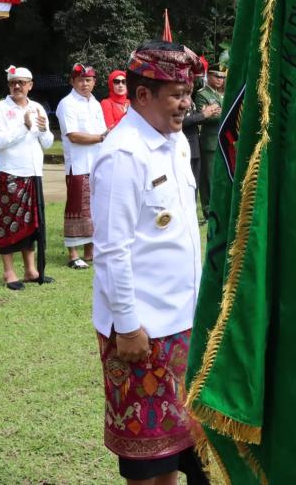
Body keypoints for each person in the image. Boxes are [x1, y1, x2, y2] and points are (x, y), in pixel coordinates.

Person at [91, 40, 208, 485]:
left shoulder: (173, 142)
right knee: (147, 463)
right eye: (176, 93)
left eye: (188, 91)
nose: (186, 103)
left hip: (184, 322)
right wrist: (127, 324)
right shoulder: (123, 154)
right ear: (142, 96)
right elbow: (112, 250)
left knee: (184, 448)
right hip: (142, 330)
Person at [0, 66, 55, 290]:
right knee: (8, 223)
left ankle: (30, 270)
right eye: (13, 83)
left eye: (22, 82)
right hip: (10, 172)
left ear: (30, 85)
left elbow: (46, 143)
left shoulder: (37, 107)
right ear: (8, 85)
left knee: (32, 224)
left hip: (34, 172)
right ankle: (9, 272)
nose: (17, 86)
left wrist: (45, 130)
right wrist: (24, 126)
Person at [56, 63, 107, 269]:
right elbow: (73, 135)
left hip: (96, 163)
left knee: (94, 209)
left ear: (94, 82)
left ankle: (89, 251)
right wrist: (102, 138)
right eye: (80, 80)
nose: (85, 84)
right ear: (72, 81)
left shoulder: (95, 103)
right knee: (76, 208)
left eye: (88, 80)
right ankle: (72, 254)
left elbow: (103, 130)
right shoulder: (67, 104)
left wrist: (104, 137)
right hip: (78, 165)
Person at [181, 75, 220, 214]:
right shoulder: (182, 99)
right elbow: (182, 122)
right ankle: (201, 209)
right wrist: (204, 115)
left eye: (191, 81)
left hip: (194, 144)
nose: (190, 84)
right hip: (184, 145)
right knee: (188, 183)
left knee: (195, 183)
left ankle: (191, 213)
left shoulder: (189, 98)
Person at [194, 63, 225, 219]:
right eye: (216, 76)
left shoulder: (222, 95)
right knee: (208, 177)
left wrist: (218, 111)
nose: (220, 79)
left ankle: (218, 208)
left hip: (224, 140)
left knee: (221, 176)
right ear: (209, 76)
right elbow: (205, 117)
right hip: (210, 141)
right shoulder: (202, 94)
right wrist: (225, 113)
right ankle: (207, 210)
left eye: (222, 77)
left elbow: (217, 114)